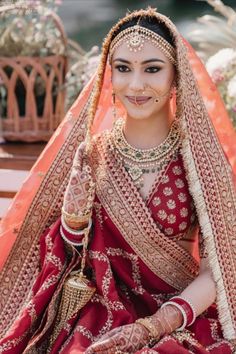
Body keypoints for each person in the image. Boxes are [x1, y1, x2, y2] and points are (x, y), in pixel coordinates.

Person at [0, 7, 235, 354]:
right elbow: (68, 258)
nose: (135, 85)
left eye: (152, 69)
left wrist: (154, 327)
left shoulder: (199, 162)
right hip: (99, 310)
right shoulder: (92, 154)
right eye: (123, 69)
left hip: (180, 315)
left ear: (176, 77)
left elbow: (222, 269)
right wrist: (73, 220)